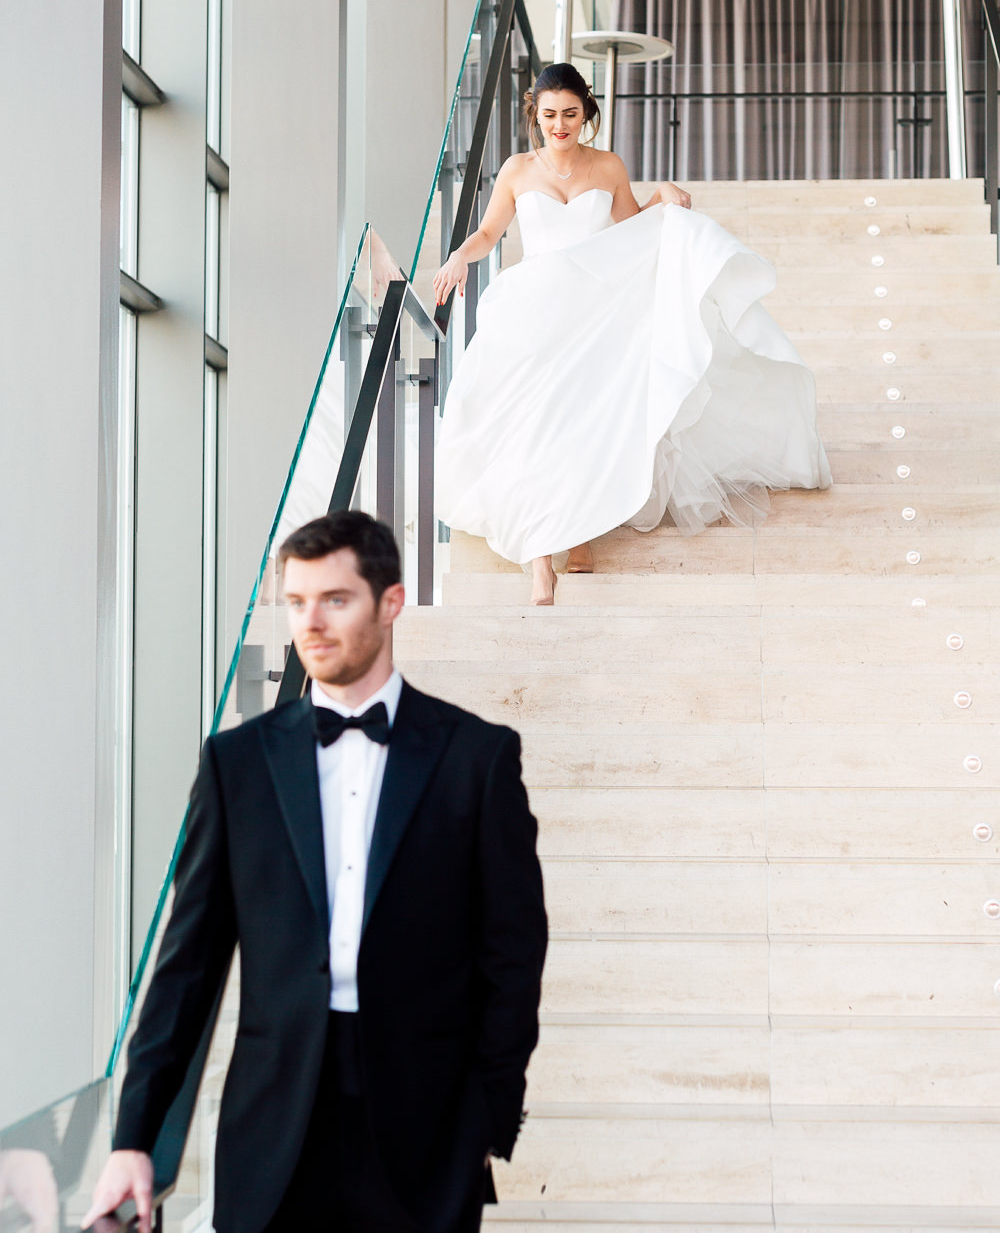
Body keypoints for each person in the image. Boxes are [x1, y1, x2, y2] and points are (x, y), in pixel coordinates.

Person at [82, 511, 547, 1233]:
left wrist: (487, 1115)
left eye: (335, 600)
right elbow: (187, 967)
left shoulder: (477, 759)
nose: (312, 623)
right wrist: (134, 1139)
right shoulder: (236, 765)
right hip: (270, 1134)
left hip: (427, 1136)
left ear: (390, 602)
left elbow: (513, 954)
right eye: (296, 602)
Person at [433, 61, 831, 605]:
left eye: (570, 114)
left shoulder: (607, 166)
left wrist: (661, 198)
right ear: (536, 114)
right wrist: (459, 257)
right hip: (535, 312)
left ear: (587, 113)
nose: (560, 125)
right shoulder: (517, 171)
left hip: (596, 314)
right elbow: (487, 231)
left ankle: (578, 534)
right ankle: (542, 562)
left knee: (585, 420)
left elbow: (629, 232)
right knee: (535, 421)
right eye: (549, 115)